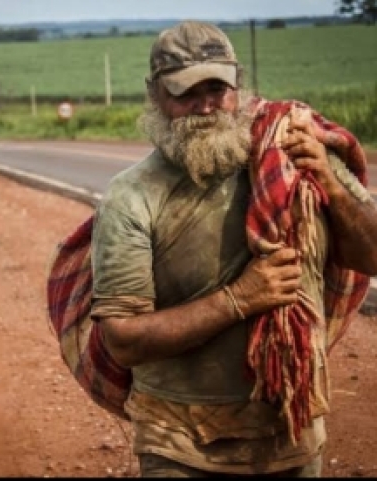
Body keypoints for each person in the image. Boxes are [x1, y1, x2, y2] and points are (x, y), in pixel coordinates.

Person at [86, 20, 377, 477]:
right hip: (179, 443)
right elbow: (121, 340)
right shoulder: (132, 196)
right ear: (156, 94)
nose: (206, 106)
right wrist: (239, 299)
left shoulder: (295, 155)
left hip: (292, 435)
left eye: (217, 88)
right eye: (186, 93)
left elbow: (372, 256)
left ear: (237, 85)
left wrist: (328, 184)